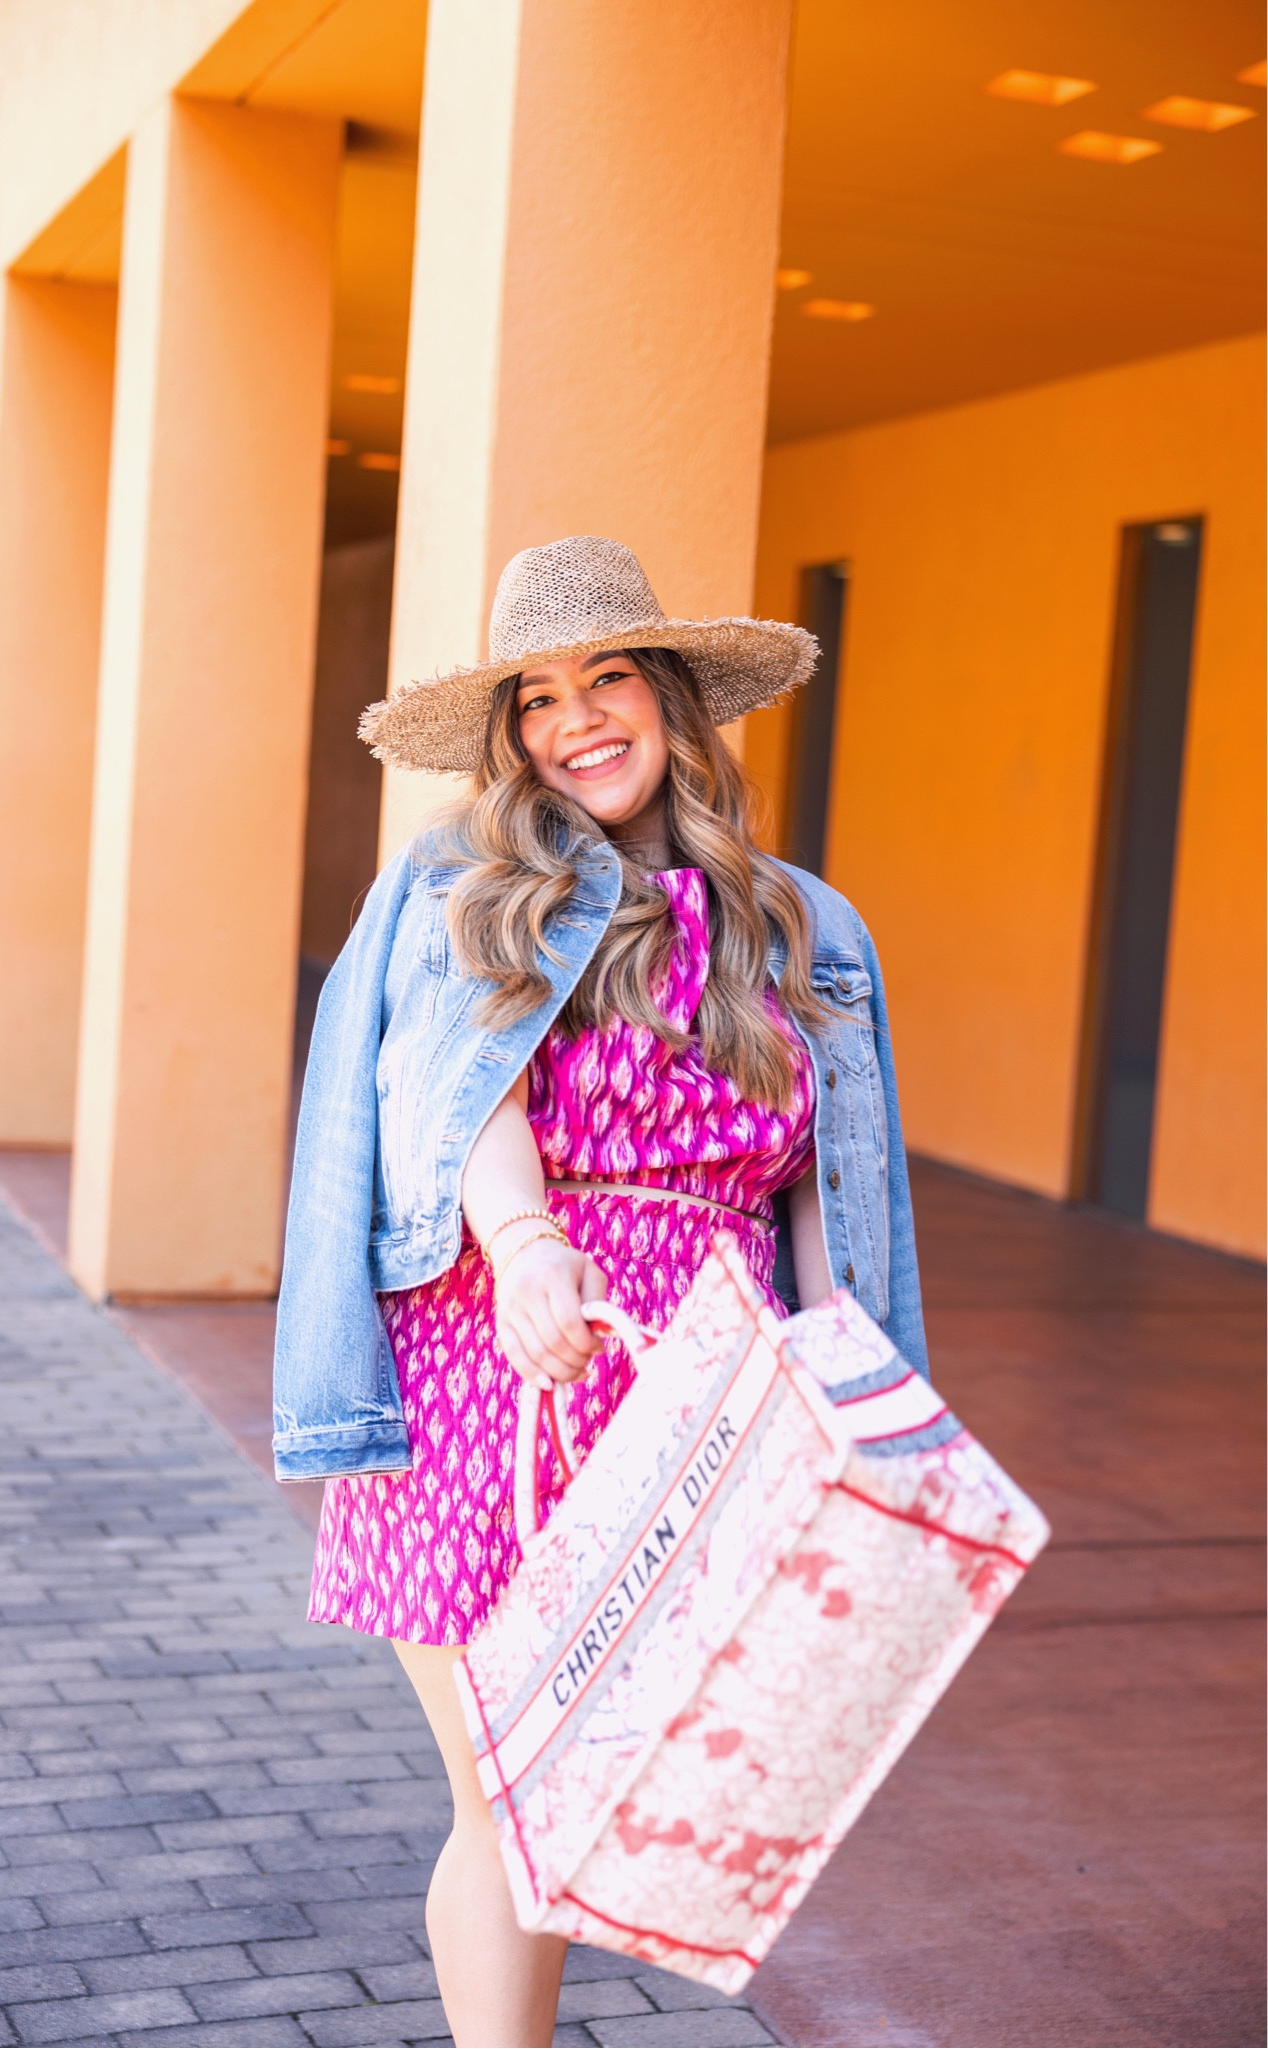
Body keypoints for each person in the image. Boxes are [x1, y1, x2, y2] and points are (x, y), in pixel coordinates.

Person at [273, 535, 927, 2047]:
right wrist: (522, 1248)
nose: (575, 718)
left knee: (586, 1797)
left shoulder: (801, 923)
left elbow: (824, 1190)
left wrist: (854, 1398)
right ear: (510, 734)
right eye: (538, 696)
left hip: (711, 1378)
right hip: (504, 1366)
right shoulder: (463, 884)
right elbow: (454, 1093)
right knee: (512, 1795)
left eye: (608, 676)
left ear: (672, 698)